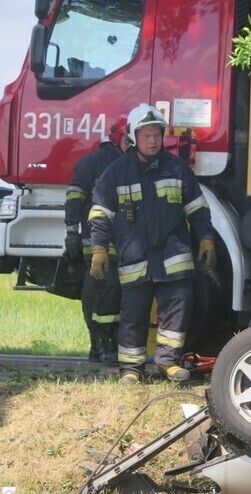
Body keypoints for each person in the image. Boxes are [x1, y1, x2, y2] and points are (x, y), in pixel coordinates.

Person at [88, 103, 216, 384]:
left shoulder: (177, 168)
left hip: (173, 255)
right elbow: (100, 214)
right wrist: (98, 248)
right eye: (146, 135)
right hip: (136, 258)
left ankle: (167, 362)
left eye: (157, 134)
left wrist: (206, 236)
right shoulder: (116, 172)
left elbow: (197, 208)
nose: (153, 140)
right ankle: (132, 370)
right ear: (134, 136)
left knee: (179, 307)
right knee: (133, 315)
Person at [63, 116, 129, 363]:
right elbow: (74, 198)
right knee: (100, 290)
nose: (131, 145)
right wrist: (71, 233)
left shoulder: (131, 162)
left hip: (123, 240)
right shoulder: (92, 163)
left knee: (114, 292)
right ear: (117, 137)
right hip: (95, 239)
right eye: (127, 139)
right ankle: (100, 344)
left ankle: (104, 346)